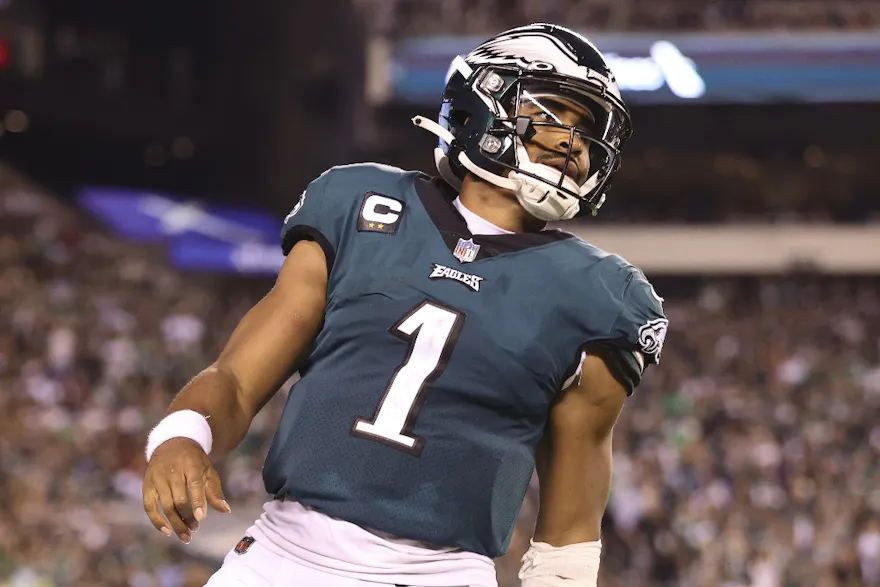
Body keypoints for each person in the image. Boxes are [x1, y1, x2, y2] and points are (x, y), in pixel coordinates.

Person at [142, 23, 668, 587]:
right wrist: (182, 436)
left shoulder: (602, 294)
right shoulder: (360, 203)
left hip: (440, 575)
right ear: (483, 104)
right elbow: (238, 378)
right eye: (555, 112)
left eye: (586, 131)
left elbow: (568, 536)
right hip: (284, 556)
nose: (573, 142)